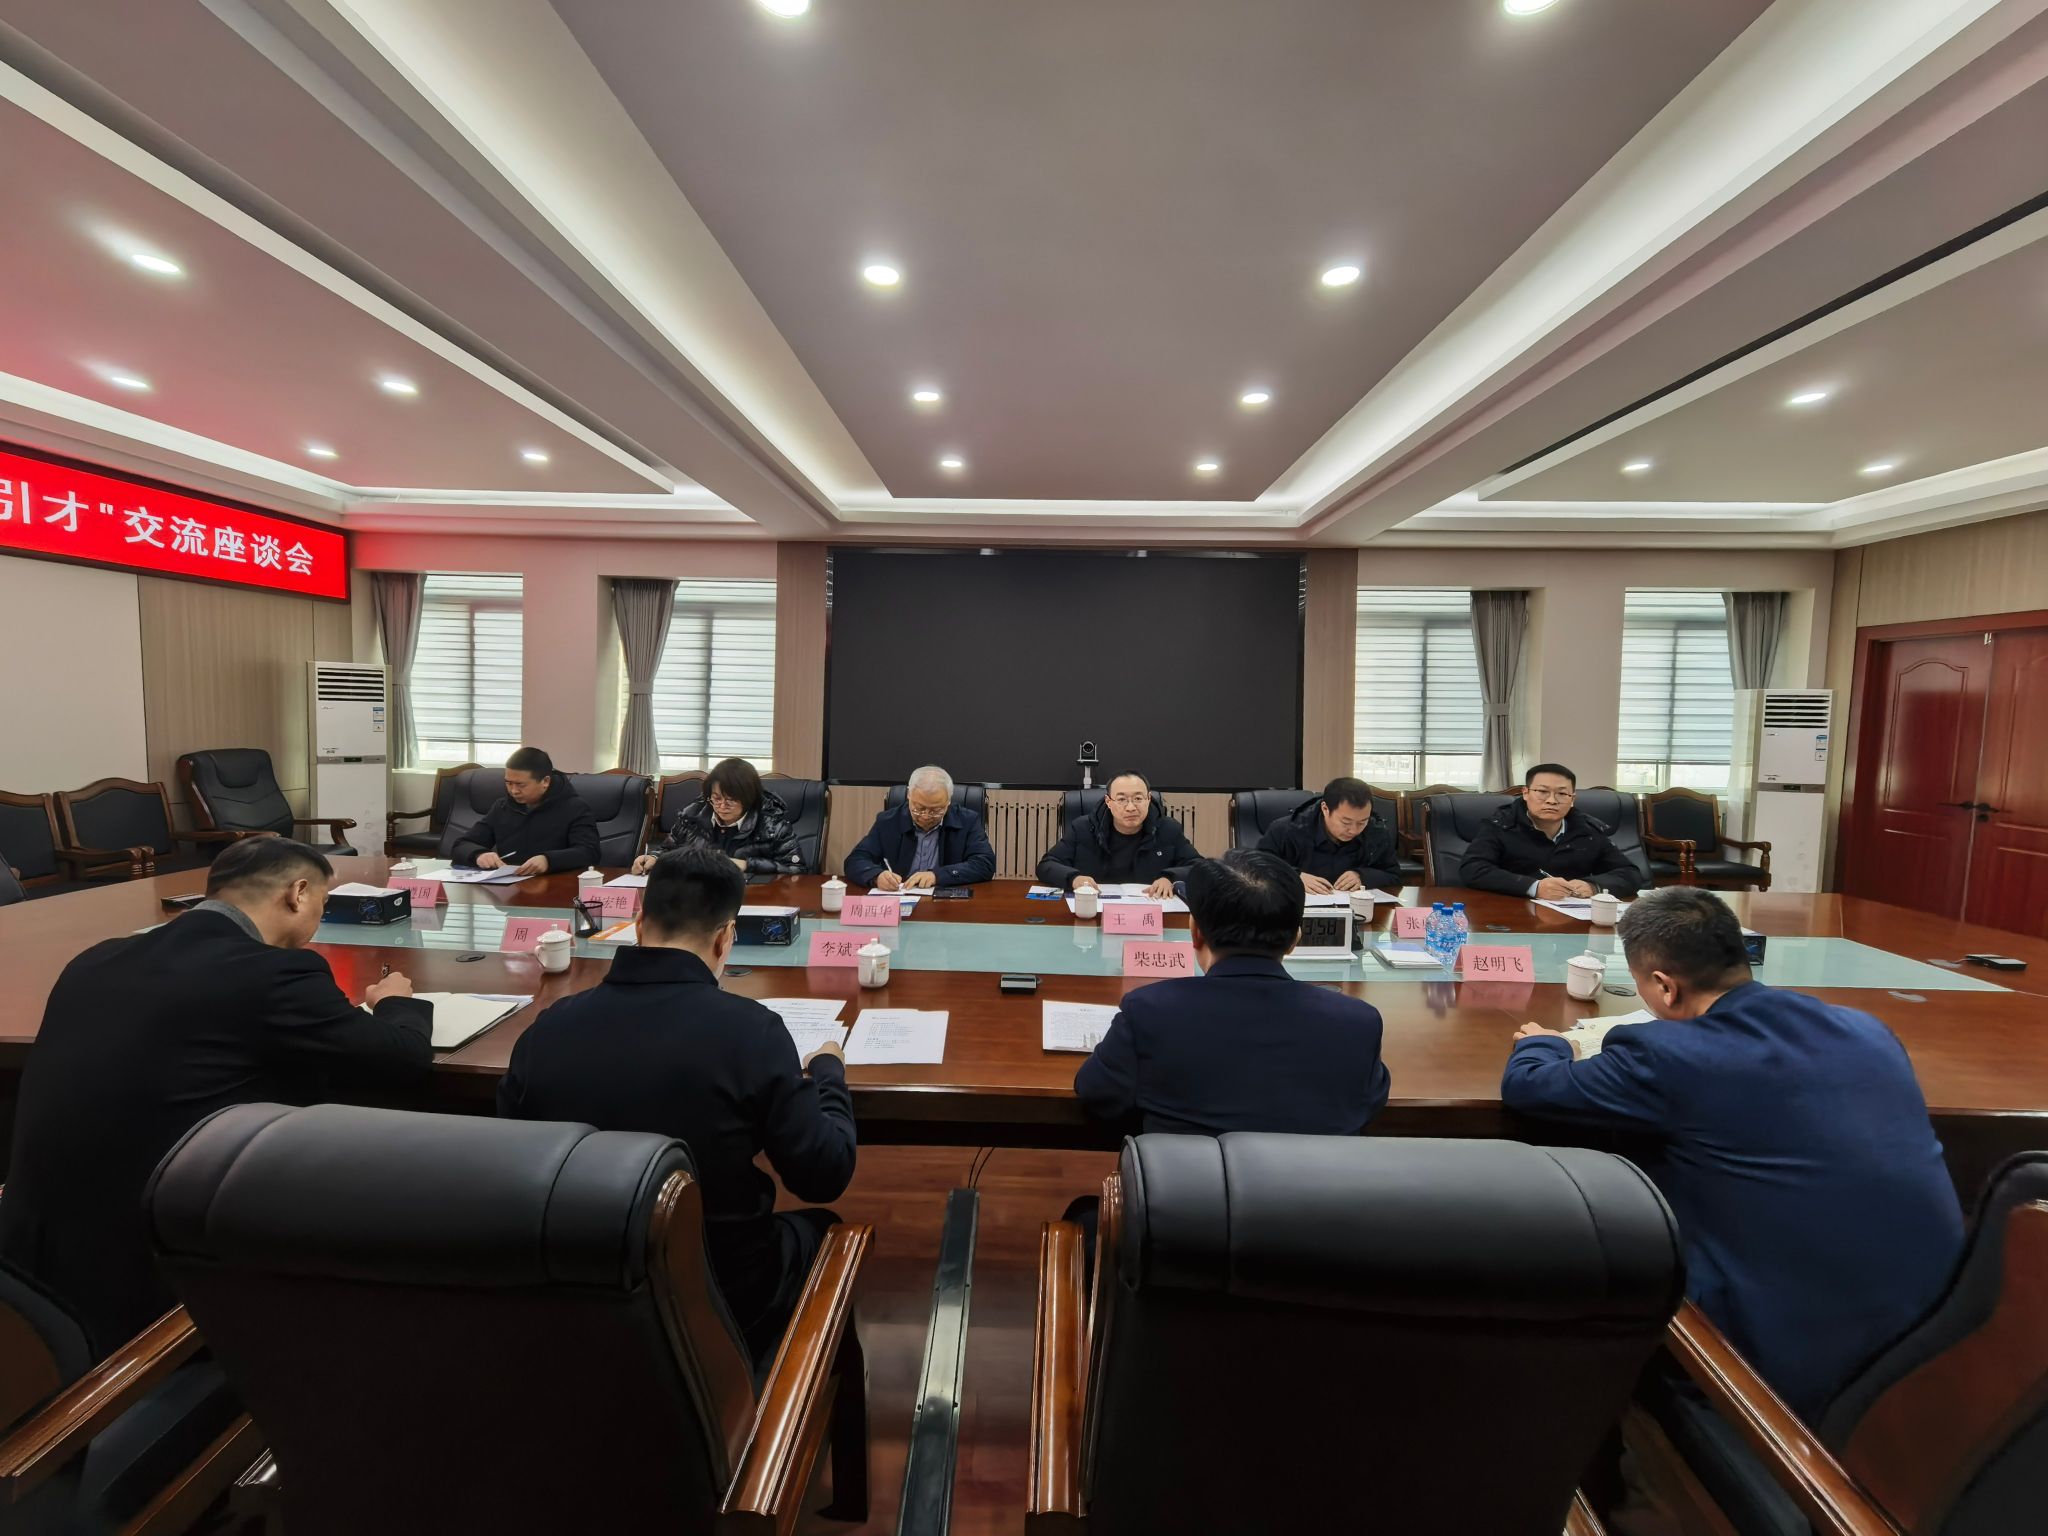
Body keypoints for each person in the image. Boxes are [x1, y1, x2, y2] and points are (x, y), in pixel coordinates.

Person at [1501, 886, 1963, 1420]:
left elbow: (1529, 1087)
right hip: (1941, 1349)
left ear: (1665, 987)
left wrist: (1546, 1043)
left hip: (1783, 1376)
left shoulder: (1668, 1054)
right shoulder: (1867, 1030)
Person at [0, 838, 432, 1354]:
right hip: (153, 1276)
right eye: (322, 901)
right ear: (297, 893)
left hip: (30, 1264)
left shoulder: (95, 959)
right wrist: (395, 1004)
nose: (319, 917)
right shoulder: (275, 972)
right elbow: (401, 1059)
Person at [498, 847, 855, 1365]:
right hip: (722, 1295)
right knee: (822, 1226)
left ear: (639, 925)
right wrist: (828, 1073)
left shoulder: (548, 1027)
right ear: (725, 937)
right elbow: (824, 1173)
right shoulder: (751, 1031)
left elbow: (512, 1160)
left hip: (578, 1288)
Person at [1074, 849, 1391, 1136]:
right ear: (1295, 940)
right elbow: (1367, 1106)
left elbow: (1096, 1093)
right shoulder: (1358, 1023)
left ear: (1195, 932)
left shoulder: (1148, 1010)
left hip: (1186, 1182)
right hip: (1312, 1184)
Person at [1459, 762, 1643, 900]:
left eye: (1562, 794)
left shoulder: (1587, 831)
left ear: (1572, 799)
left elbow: (1630, 873)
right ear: (1525, 793)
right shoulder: (1501, 825)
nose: (1552, 801)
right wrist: (1534, 887)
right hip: (1513, 913)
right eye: (1542, 792)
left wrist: (1594, 886)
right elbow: (1473, 869)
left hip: (1572, 919)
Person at [1036, 772, 1199, 900]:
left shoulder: (1168, 829)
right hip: (1095, 911)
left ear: (1148, 799)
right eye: (1121, 799)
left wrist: (1170, 878)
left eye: (1138, 798)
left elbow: (1198, 867)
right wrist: (1074, 878)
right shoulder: (1083, 828)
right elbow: (1046, 865)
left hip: (1151, 910)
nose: (1130, 807)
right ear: (1108, 802)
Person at [632, 757, 802, 877]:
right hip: (697, 897)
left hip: (751, 898)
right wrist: (653, 858)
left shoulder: (773, 825)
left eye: (731, 800)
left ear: (749, 798)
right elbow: (669, 849)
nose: (722, 805)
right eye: (717, 798)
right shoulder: (692, 816)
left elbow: (796, 869)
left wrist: (747, 864)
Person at [451, 746, 601, 875]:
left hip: (555, 885)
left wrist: (548, 860)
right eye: (508, 783)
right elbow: (462, 845)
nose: (513, 791)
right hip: (509, 886)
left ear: (545, 781)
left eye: (521, 785)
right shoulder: (502, 807)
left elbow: (589, 852)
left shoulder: (575, 808)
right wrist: (478, 854)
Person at [844, 765, 996, 890]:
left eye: (936, 810)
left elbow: (985, 864)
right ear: (909, 796)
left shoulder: (967, 821)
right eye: (919, 808)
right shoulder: (888, 822)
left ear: (948, 801)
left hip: (945, 901)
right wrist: (876, 876)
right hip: (900, 898)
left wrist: (938, 876)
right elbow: (855, 860)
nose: (926, 816)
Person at [1256, 777, 1402, 894]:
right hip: (1299, 911)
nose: (1353, 830)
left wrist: (1363, 876)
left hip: (1356, 911)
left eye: (1362, 822)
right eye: (1346, 822)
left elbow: (1393, 874)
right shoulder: (1287, 830)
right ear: (1325, 809)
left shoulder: (1376, 832)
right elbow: (1256, 868)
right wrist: (1295, 876)